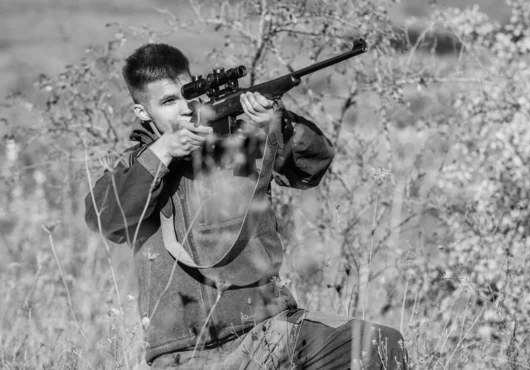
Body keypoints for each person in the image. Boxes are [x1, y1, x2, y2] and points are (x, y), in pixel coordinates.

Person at [85, 43, 408, 369]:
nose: (184, 109)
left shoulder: (238, 142)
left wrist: (278, 123)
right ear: (143, 112)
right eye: (168, 101)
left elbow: (314, 167)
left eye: (187, 96)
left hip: (268, 328)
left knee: (380, 345)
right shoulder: (135, 168)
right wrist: (164, 152)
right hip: (187, 353)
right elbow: (105, 219)